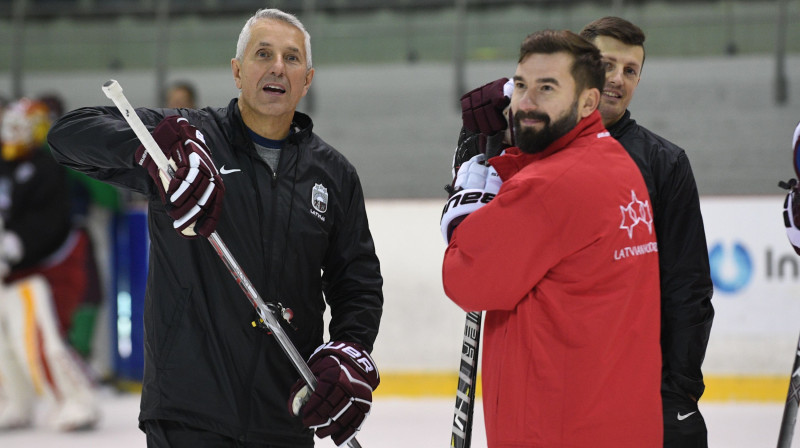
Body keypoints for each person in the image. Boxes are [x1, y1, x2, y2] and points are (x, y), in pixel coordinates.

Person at [48, 8, 383, 448]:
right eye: (263, 53)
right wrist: (147, 152)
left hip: (283, 417)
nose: (278, 66)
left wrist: (348, 353)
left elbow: (357, 283)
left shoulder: (334, 175)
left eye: (292, 57)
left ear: (308, 79)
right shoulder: (188, 142)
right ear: (238, 71)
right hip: (188, 415)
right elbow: (67, 135)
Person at [455, 16, 714, 448]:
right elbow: (489, 250)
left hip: (620, 397)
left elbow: (687, 285)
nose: (617, 80)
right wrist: (486, 143)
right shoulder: (532, 148)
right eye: (606, 65)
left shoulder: (661, 162)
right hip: (556, 398)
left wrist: (678, 390)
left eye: (631, 71)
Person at [0, 98, 101, 431]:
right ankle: (15, 401)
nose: (10, 134)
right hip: (9, 276)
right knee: (5, 343)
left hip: (39, 274)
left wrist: (16, 244)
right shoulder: (4, 166)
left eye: (18, 127)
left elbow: (48, 223)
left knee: (38, 339)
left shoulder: (47, 168)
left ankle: (77, 401)